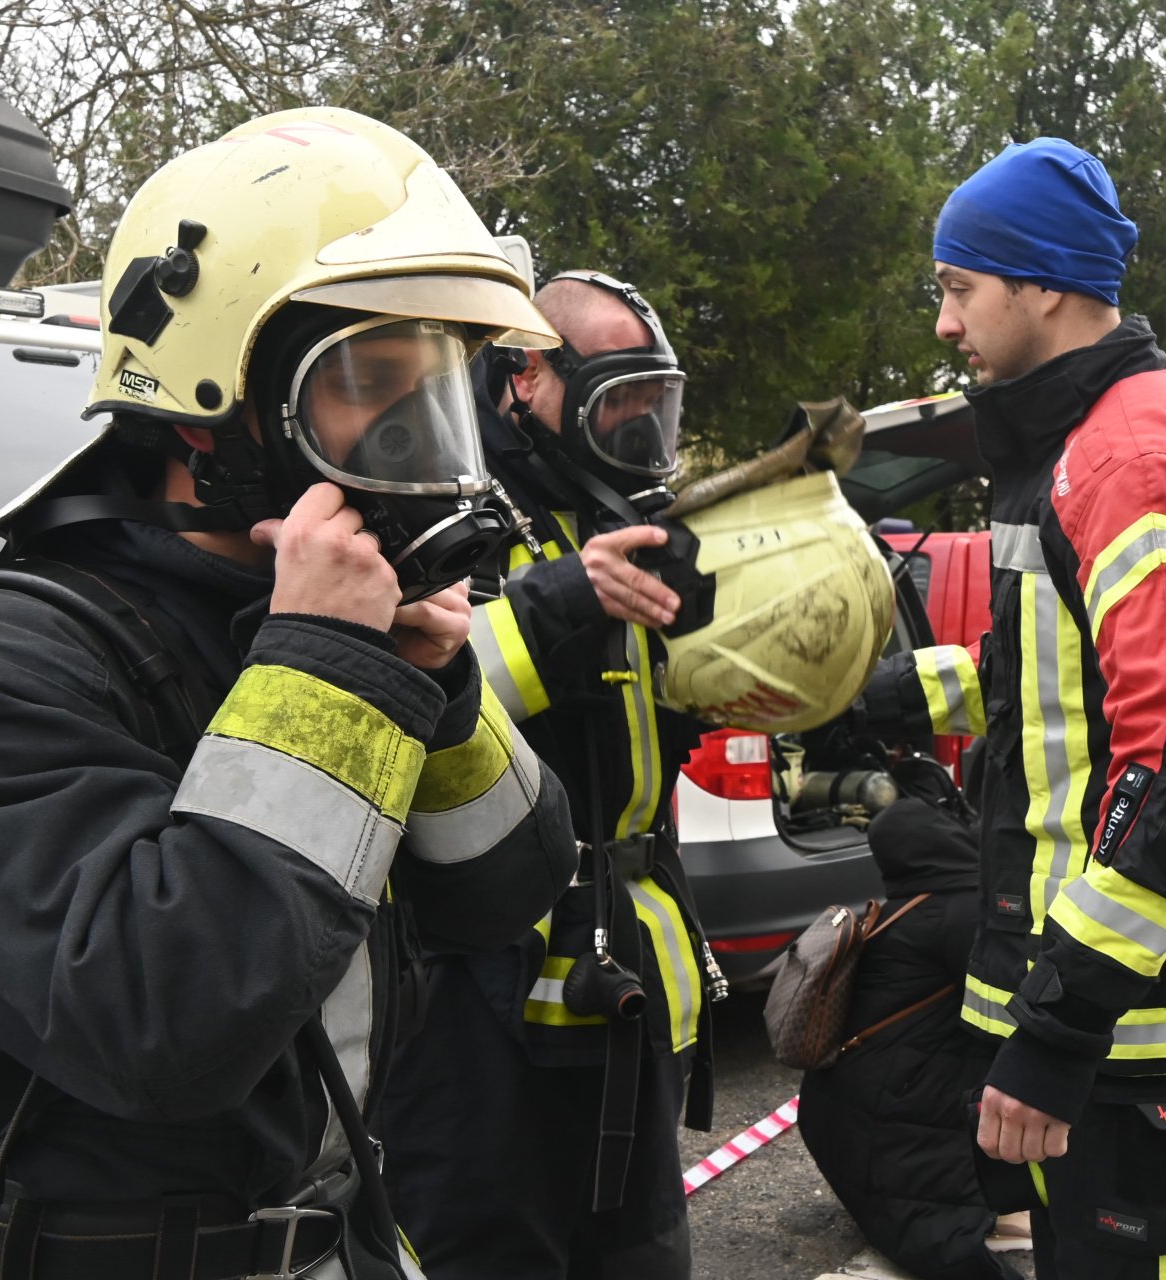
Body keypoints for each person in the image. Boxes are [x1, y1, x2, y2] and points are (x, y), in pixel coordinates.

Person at [0, 108, 579, 1275]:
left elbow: (507, 887)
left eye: (438, 389)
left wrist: (427, 684)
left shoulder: (309, 636)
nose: (419, 439)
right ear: (214, 406)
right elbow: (170, 1019)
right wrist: (329, 672)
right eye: (371, 382)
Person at [861, 137, 1166, 1280]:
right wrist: (882, 695)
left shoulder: (1137, 453)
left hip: (1158, 1030)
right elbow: (1064, 676)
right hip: (1124, 1017)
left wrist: (1057, 1031)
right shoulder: (1075, 445)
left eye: (959, 288)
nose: (945, 325)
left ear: (1043, 285)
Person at [379, 271, 714, 1280]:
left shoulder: (610, 511)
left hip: (619, 975)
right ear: (526, 375)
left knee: (641, 1257)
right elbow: (403, 682)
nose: (640, 427)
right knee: (486, 1250)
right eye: (618, 398)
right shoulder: (434, 500)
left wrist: (698, 658)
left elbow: (642, 736)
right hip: (478, 985)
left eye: (654, 403)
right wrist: (558, 603)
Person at [798, 796, 1013, 1280]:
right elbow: (1015, 1011)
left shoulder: (902, 906)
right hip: (894, 1122)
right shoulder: (961, 913)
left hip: (839, 1114)